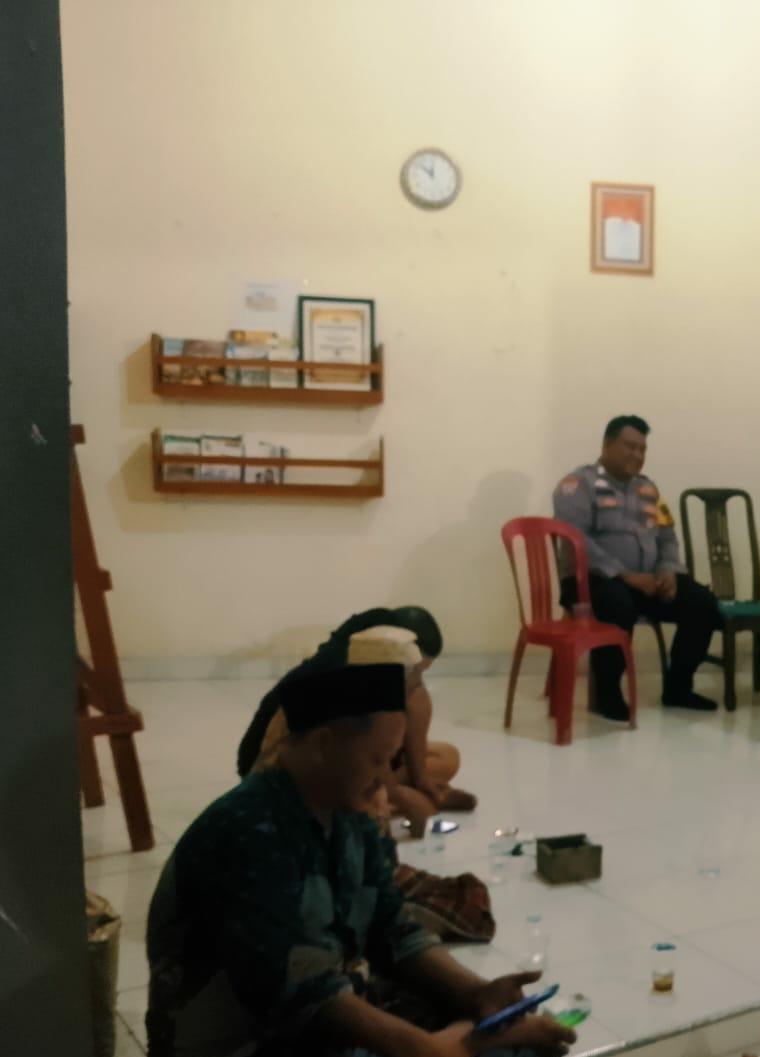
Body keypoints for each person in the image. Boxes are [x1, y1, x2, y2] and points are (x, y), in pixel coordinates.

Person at [148, 664, 576, 1057]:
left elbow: (392, 930)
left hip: (314, 1017)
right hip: (248, 1044)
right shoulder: (247, 835)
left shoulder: (347, 812)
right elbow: (306, 999)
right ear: (323, 745)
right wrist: (464, 1043)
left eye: (392, 760)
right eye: (378, 759)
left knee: (518, 1041)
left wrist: (475, 993)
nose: (387, 778)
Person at [235, 606, 475, 837]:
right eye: (414, 671)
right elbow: (359, 755)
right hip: (312, 779)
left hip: (355, 765)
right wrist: (399, 796)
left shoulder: (386, 679)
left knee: (447, 756)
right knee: (364, 800)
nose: (417, 681)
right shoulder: (345, 686)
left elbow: (381, 751)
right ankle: (378, 798)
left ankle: (383, 793)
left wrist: (423, 785)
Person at [552, 414, 722, 719]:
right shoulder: (578, 485)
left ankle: (678, 688)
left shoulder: (649, 489)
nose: (637, 455)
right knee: (618, 603)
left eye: (642, 449)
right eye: (629, 446)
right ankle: (607, 694)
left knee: (702, 603)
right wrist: (625, 575)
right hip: (590, 581)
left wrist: (668, 570)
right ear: (607, 444)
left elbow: (667, 537)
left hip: (646, 582)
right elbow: (576, 540)